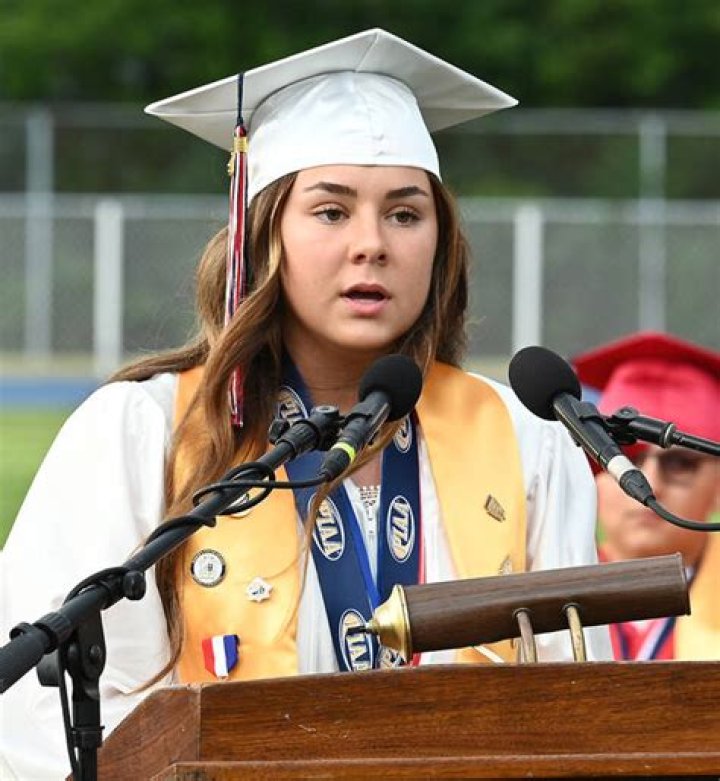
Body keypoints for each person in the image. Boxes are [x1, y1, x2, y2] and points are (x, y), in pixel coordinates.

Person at [1, 29, 611, 779]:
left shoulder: (524, 440)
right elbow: (44, 720)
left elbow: (581, 701)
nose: (372, 244)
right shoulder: (146, 432)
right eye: (330, 211)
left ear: (440, 241)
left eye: (405, 213)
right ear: (262, 238)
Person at [573, 331, 720, 661]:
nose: (649, 483)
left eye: (680, 463)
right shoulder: (545, 579)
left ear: (719, 487)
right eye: (624, 458)